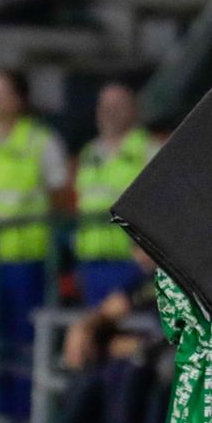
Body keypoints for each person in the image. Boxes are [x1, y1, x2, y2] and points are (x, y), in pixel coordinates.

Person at [0, 245, 162, 423]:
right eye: (136, 248)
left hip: (176, 361)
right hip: (146, 359)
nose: (141, 254)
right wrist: (84, 328)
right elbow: (112, 308)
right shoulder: (148, 281)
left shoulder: (188, 278)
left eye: (146, 246)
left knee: (128, 371)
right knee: (93, 381)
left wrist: (143, 346)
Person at [0, 68, 70, 418]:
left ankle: (24, 419)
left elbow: (62, 197)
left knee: (23, 343)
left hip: (25, 261)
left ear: (20, 99)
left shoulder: (41, 141)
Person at [73, 82, 155, 307]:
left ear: (133, 109)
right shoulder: (90, 153)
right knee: (92, 331)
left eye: (117, 105)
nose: (109, 111)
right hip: (92, 262)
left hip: (133, 262)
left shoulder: (149, 151)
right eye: (104, 105)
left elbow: (169, 206)